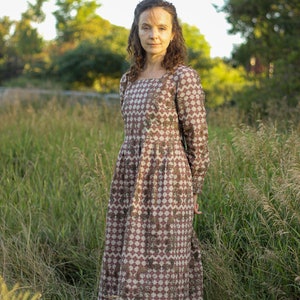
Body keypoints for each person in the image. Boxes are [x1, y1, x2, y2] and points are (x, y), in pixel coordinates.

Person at [98, 0, 209, 298]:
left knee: (165, 260)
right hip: (130, 177)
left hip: (169, 182)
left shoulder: (182, 77)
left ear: (173, 34)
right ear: (136, 31)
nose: (154, 35)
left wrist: (194, 188)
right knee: (128, 252)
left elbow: (196, 137)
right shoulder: (128, 80)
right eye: (146, 27)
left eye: (162, 28)